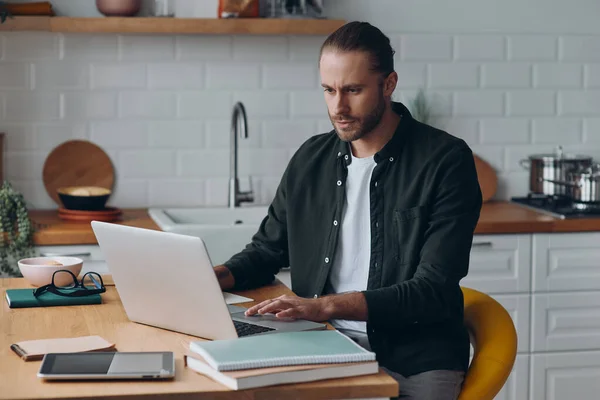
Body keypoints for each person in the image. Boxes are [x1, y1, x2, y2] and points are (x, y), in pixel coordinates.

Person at [213, 21, 482, 400]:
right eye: (329, 90)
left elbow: (433, 290)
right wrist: (211, 277)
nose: (338, 107)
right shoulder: (311, 158)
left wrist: (322, 306)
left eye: (353, 90)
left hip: (415, 357)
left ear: (388, 85)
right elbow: (267, 251)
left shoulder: (445, 161)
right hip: (323, 343)